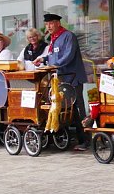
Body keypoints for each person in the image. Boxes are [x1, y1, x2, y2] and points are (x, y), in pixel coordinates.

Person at [34, 13, 89, 150]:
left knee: (78, 108)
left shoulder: (68, 36)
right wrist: (44, 60)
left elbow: (68, 56)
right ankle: (74, 138)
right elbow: (54, 55)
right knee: (67, 110)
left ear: (58, 23)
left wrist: (54, 65)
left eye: (51, 23)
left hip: (73, 78)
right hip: (62, 78)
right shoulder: (54, 38)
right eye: (46, 24)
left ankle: (86, 140)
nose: (48, 26)